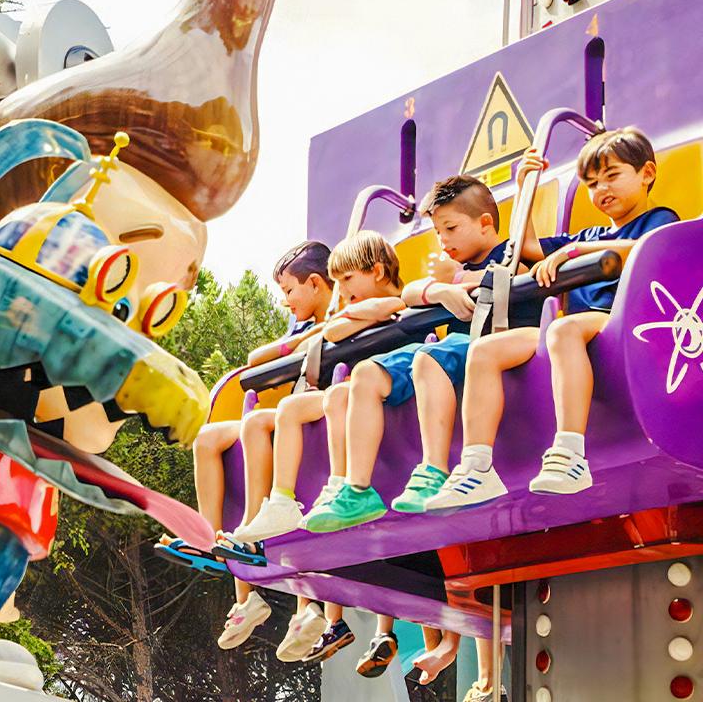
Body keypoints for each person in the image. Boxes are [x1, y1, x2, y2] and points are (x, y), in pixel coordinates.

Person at [425, 127, 679, 508]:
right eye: (592, 183)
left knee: (562, 329)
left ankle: (571, 452)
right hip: (582, 325)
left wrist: (576, 252)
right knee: (485, 352)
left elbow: (647, 248)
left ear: (646, 174)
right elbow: (527, 247)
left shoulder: (658, 219)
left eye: (612, 176)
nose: (601, 189)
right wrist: (526, 183)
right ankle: (477, 467)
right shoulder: (589, 233)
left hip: (627, 319)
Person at [303, 175, 541, 531]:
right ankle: (356, 489)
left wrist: (456, 280)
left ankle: (433, 469)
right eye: (438, 232)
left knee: (428, 358)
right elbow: (411, 292)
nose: (443, 241)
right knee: (366, 373)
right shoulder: (450, 270)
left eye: (450, 229)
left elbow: (519, 272)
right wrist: (439, 290)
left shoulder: (508, 253)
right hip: (453, 346)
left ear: (485, 224)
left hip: (490, 342)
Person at [228, 231, 406, 661]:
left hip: (386, 394)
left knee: (304, 406)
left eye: (345, 282)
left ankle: (323, 608)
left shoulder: (398, 304)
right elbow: (335, 329)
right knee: (274, 416)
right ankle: (269, 513)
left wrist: (388, 305)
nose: (341, 294)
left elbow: (344, 327)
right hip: (352, 394)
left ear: (376, 273)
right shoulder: (353, 311)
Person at [174, 242, 333, 650]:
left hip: (321, 415)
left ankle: (302, 600)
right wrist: (301, 341)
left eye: (289, 291)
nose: (284, 301)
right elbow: (257, 356)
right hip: (287, 416)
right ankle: (210, 538)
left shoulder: (342, 310)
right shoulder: (303, 327)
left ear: (315, 284)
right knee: (209, 438)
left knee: (265, 430)